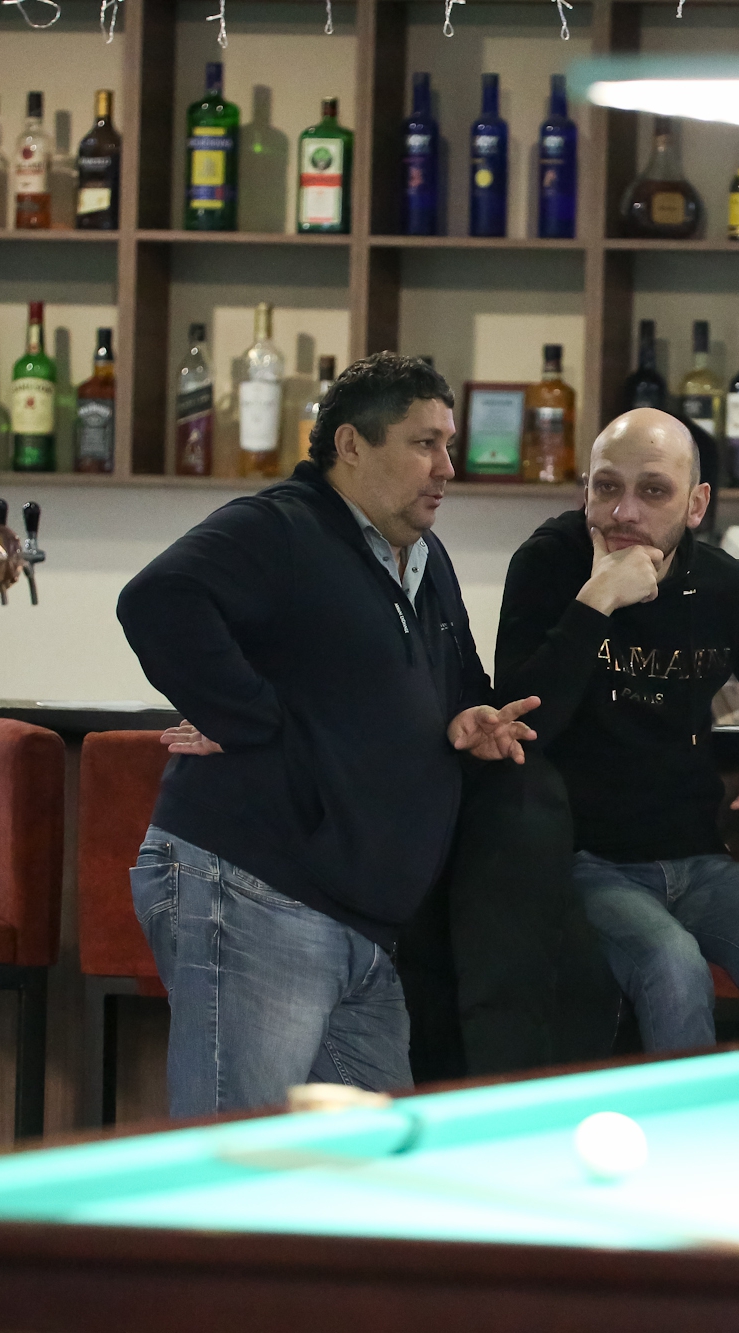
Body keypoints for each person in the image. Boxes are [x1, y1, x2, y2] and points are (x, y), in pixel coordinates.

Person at [116, 352, 537, 1115]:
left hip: (361, 920)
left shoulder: (427, 557)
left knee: (372, 1165)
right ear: (351, 445)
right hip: (254, 888)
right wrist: (251, 718)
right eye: (425, 444)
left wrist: (468, 718)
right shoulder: (281, 526)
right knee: (238, 1158)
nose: (446, 467)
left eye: (448, 444)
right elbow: (158, 600)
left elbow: (454, 684)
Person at [492, 408, 739, 1052]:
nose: (623, 512)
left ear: (696, 504)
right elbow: (522, 724)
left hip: (698, 859)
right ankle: (684, 1122)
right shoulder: (549, 564)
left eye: (653, 491)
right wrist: (598, 600)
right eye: (606, 487)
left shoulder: (724, 586)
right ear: (584, 490)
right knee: (673, 968)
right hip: (582, 859)